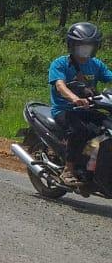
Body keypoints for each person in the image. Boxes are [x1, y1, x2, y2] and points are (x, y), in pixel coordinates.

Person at [49, 22, 112, 188]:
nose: (85, 50)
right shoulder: (60, 64)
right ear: (72, 45)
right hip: (65, 110)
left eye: (89, 47)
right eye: (81, 46)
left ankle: (93, 165)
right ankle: (68, 170)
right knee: (80, 130)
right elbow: (60, 85)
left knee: (107, 129)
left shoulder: (96, 64)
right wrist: (73, 98)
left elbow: (110, 77)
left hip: (89, 109)